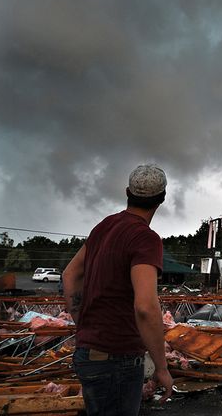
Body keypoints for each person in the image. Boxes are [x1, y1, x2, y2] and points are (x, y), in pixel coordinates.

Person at [63, 164, 173, 415]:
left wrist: (83, 323)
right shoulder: (145, 238)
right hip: (117, 360)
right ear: (162, 199)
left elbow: (69, 275)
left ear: (127, 192)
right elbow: (145, 307)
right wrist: (162, 368)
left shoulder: (104, 227)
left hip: (88, 355)